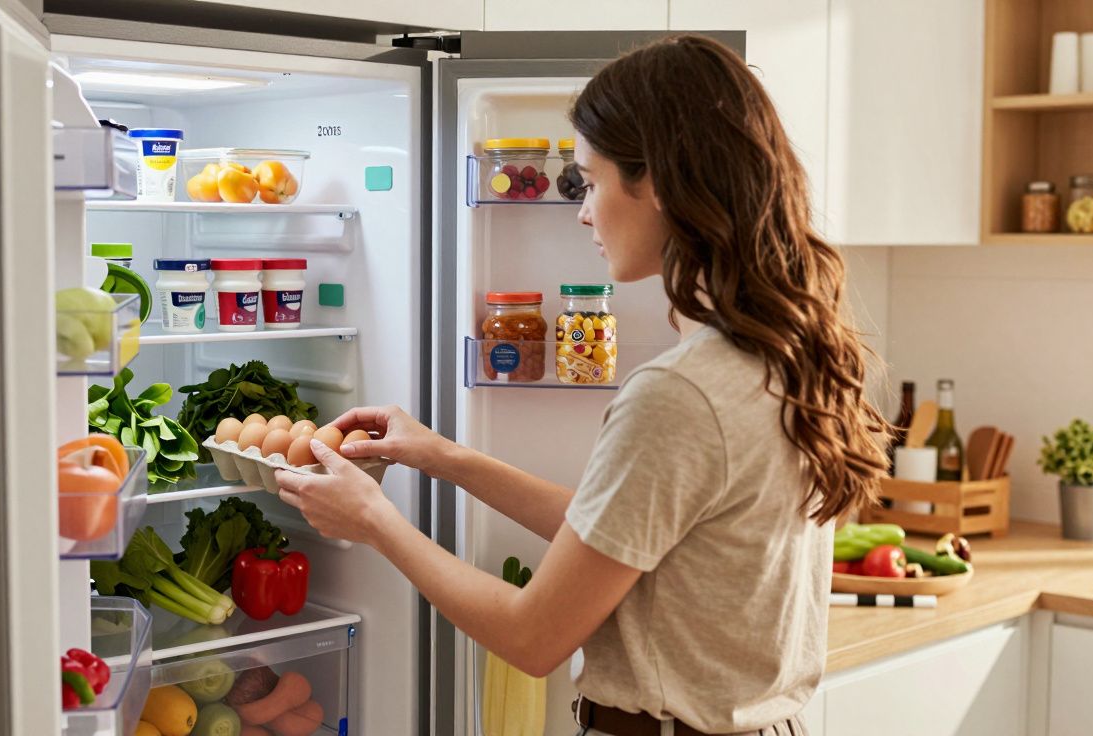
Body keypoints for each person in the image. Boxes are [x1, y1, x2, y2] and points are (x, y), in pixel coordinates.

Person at [274, 34, 889, 736]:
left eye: (591, 179)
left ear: (654, 181)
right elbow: (622, 533)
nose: (583, 210)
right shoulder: (787, 351)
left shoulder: (680, 393)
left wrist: (375, 522)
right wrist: (442, 456)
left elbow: (533, 636)